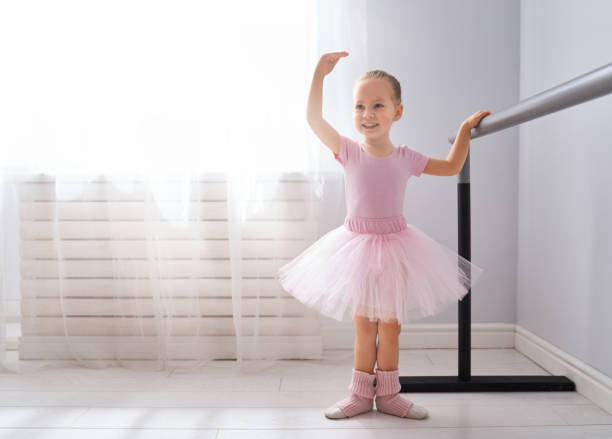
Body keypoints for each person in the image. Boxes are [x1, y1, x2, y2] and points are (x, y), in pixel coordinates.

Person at [278, 51, 489, 420]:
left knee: (390, 327)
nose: (368, 114)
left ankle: (389, 396)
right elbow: (313, 118)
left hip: (397, 247)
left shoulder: (406, 157)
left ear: (397, 111)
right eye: (360, 106)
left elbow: (453, 165)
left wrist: (464, 131)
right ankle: (360, 396)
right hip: (355, 247)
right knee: (364, 327)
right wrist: (319, 75)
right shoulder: (347, 151)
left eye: (377, 105)